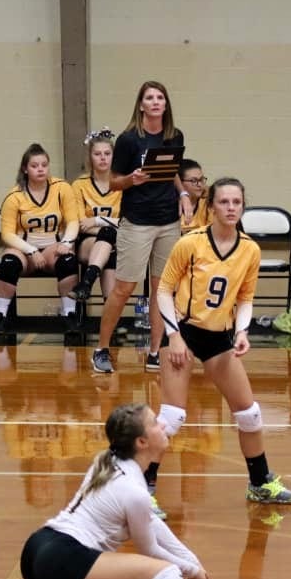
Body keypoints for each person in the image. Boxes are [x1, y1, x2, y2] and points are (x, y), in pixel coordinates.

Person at [151, 178, 291, 520]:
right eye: (224, 202)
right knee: (171, 418)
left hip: (220, 337)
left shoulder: (250, 250)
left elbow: (245, 297)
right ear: (212, 207)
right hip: (184, 331)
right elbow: (163, 290)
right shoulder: (190, 243)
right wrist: (174, 335)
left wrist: (242, 330)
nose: (231, 208)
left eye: (237, 202)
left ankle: (260, 482)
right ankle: (143, 489)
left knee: (250, 415)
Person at [20, 403, 210, 579]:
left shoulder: (107, 460)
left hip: (39, 548)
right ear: (141, 442)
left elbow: (151, 521)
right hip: (59, 560)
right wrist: (191, 571)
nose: (163, 424)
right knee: (168, 575)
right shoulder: (134, 491)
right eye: (154, 423)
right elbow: (149, 550)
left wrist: (191, 559)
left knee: (78, 558)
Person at [91, 81, 192, 374]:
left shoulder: (174, 136)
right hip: (137, 222)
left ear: (166, 104)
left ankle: (155, 352)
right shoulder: (128, 140)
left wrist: (184, 194)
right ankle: (101, 349)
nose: (156, 101)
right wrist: (130, 180)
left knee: (163, 289)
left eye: (160, 97)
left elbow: (172, 171)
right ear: (141, 105)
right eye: (150, 97)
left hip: (168, 222)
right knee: (124, 288)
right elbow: (113, 183)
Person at [0, 143, 81, 335]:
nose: (40, 169)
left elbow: (73, 221)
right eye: (34, 165)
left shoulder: (62, 188)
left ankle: (70, 314)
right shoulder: (14, 196)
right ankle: (0, 315)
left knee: (68, 259)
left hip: (52, 248)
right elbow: (7, 234)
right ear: (25, 169)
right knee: (9, 262)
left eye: (44, 165)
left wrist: (67, 242)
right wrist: (31, 250)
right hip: (24, 250)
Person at [69, 128, 122, 303]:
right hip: (87, 242)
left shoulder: (122, 183)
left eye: (107, 153)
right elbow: (80, 223)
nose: (103, 158)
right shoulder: (79, 185)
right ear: (90, 157)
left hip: (119, 241)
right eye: (97, 154)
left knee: (109, 243)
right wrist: (108, 226)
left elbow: (127, 222)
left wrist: (96, 220)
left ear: (114, 156)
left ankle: (86, 283)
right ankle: (112, 314)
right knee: (108, 240)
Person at [178, 159, 210, 234]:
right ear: (180, 183)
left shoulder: (209, 200)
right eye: (193, 181)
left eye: (201, 179)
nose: (199, 184)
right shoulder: (170, 203)